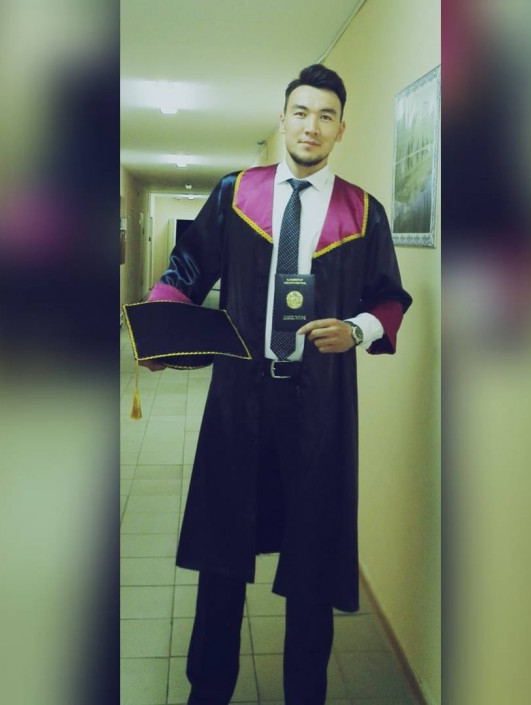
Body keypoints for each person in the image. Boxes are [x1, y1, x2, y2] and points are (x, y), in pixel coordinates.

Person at [141, 64, 412, 705]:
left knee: (312, 557)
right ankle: (209, 689)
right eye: (300, 112)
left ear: (341, 129)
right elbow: (187, 268)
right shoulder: (238, 194)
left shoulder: (363, 213)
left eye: (325, 116)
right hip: (240, 396)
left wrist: (356, 329)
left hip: (320, 405)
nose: (311, 126)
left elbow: (390, 298)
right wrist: (158, 330)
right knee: (221, 554)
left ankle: (305, 693)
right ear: (283, 119)